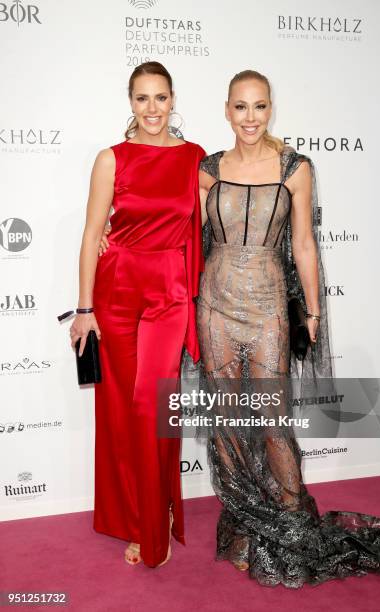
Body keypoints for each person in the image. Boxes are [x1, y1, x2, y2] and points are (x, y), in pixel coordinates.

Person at [197, 69, 380, 587]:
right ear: (227, 110)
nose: (250, 118)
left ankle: (292, 526)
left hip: (269, 304)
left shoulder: (295, 168)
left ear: (271, 110)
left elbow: (305, 245)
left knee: (272, 421)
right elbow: (176, 229)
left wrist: (311, 313)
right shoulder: (206, 169)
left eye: (260, 107)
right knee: (226, 421)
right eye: (241, 107)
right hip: (215, 304)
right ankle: (246, 521)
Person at [69, 61, 205, 568]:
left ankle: (156, 521)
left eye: (161, 98)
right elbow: (90, 233)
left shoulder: (195, 159)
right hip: (118, 290)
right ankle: (135, 517)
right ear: (131, 102)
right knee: (123, 411)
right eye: (143, 98)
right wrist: (84, 307)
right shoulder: (112, 159)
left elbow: (232, 192)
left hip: (169, 292)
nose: (152, 109)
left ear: (173, 100)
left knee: (155, 407)